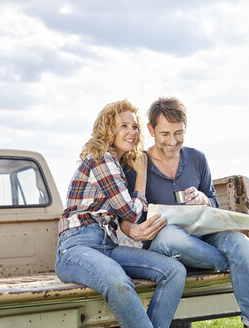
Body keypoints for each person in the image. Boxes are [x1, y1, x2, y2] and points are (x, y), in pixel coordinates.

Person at [126, 97, 249, 328]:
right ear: (151, 130)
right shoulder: (137, 164)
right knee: (173, 236)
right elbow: (128, 215)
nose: (172, 142)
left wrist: (204, 199)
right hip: (165, 243)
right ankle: (246, 262)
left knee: (241, 244)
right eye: (165, 134)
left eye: (179, 133)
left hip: (203, 235)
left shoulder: (197, 159)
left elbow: (213, 200)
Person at [55, 100, 187, 328]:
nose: (132, 132)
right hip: (76, 248)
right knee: (118, 282)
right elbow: (131, 212)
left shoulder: (118, 164)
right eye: (123, 126)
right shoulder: (102, 159)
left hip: (108, 246)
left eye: (135, 127)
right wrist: (142, 174)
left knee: (174, 271)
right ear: (108, 129)